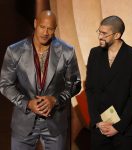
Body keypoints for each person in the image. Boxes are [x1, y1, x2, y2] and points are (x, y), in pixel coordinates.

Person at [0, 10, 81, 150]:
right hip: (24, 122)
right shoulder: (14, 51)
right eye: (42, 27)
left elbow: (75, 84)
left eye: (50, 29)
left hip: (55, 122)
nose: (45, 32)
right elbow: (5, 85)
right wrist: (27, 103)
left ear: (55, 29)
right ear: (35, 23)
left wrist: (55, 100)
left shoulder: (67, 51)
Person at [85, 15, 132, 150]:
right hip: (99, 128)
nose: (100, 36)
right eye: (99, 32)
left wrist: (118, 127)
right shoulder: (94, 53)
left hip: (124, 130)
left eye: (104, 33)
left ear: (117, 35)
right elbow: (89, 89)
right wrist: (97, 121)